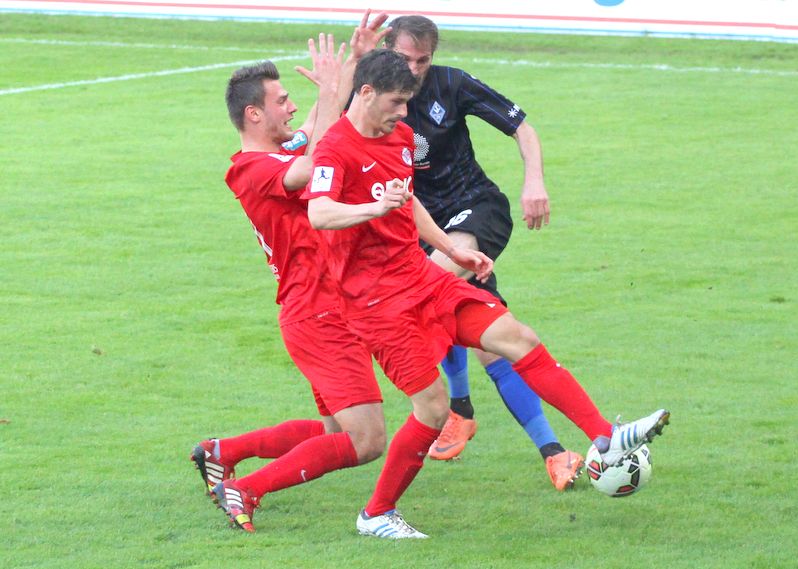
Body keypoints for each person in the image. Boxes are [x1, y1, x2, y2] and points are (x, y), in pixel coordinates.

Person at [304, 49, 670, 538]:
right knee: (433, 410)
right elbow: (319, 213)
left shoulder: (401, 136)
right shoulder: (335, 148)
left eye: (408, 102)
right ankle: (376, 514)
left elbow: (407, 202)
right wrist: (372, 209)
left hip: (420, 277)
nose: (404, 112)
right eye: (395, 102)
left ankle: (606, 435)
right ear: (365, 93)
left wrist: (452, 250)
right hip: (375, 303)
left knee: (518, 337)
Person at [190, 13, 420, 536]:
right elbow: (321, 158)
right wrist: (337, 90)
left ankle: (223, 452)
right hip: (318, 312)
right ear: (254, 114)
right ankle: (246, 490)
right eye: (282, 101)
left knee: (335, 431)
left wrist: (356, 63)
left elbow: (318, 131)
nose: (293, 106)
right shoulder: (251, 169)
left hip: (326, 307)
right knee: (366, 440)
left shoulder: (281, 150)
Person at [380, 15, 582, 489]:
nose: (414, 70)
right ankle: (552, 451)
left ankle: (457, 407)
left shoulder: (450, 84)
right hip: (420, 227)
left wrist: (535, 181)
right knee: (493, 339)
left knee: (430, 285)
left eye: (423, 60)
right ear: (386, 51)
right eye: (405, 59)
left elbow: (521, 127)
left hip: (475, 210)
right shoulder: (370, 95)